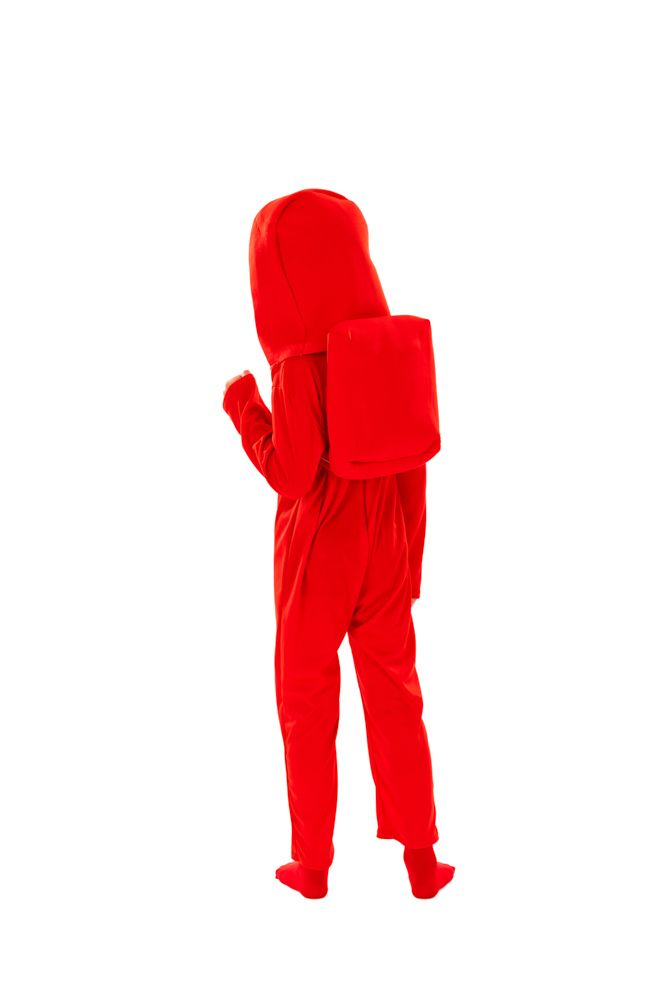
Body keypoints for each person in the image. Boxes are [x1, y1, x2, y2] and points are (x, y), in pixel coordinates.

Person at [222, 188, 454, 899]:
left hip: (318, 548)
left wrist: (246, 409)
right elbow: (415, 464)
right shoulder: (392, 345)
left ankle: (313, 865)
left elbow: (292, 474)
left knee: (305, 697)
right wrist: (410, 567)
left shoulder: (299, 363)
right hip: (388, 539)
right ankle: (422, 860)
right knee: (396, 696)